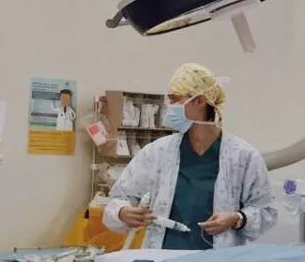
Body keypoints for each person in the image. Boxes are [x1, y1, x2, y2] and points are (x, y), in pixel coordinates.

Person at [103, 63, 277, 250]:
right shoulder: (157, 152)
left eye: (175, 99)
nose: (169, 107)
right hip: (163, 258)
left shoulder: (243, 156)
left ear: (200, 101)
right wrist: (122, 212)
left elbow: (266, 211)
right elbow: (120, 198)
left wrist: (237, 218)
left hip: (218, 261)